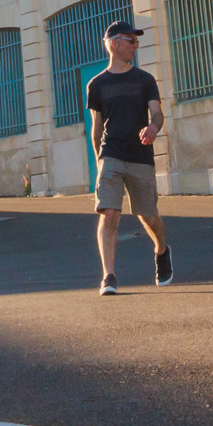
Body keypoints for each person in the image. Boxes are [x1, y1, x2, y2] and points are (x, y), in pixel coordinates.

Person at [85, 18, 173, 294]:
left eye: (137, 41)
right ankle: (108, 276)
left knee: (149, 217)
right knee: (109, 214)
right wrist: (100, 162)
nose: (136, 45)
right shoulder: (96, 84)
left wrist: (153, 127)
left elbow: (157, 113)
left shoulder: (144, 80)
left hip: (140, 156)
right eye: (131, 40)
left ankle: (161, 250)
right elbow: (96, 128)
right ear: (113, 44)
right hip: (111, 154)